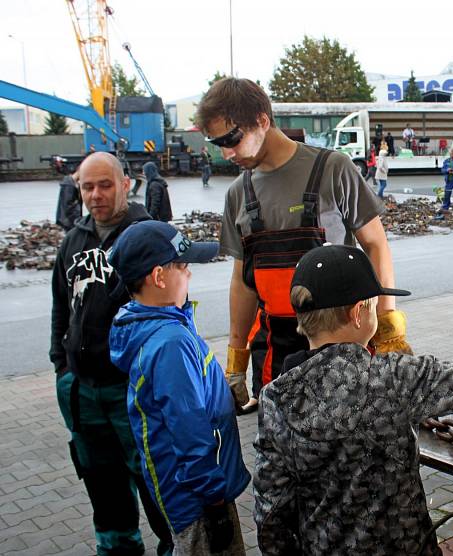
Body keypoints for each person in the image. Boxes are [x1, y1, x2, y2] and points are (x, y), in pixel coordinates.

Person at [253, 244, 453, 556]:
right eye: (373, 306)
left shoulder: (276, 397)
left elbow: (271, 514)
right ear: (357, 313)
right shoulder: (391, 377)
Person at [194, 77, 411, 414]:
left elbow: (376, 245)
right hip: (275, 354)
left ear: (262, 121)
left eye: (232, 139)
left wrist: (387, 328)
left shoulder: (332, 169)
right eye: (217, 143)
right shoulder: (238, 194)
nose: (226, 153)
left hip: (342, 344)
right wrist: (236, 360)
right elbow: (242, 282)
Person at [49, 152, 173, 556]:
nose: (96, 194)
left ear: (125, 183)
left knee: (154, 484)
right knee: (102, 485)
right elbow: (60, 307)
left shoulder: (148, 233)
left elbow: (174, 308)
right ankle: (117, 548)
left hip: (132, 391)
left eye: (105, 184)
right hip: (82, 391)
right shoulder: (74, 240)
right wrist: (61, 367)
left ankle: (174, 546)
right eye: (87, 187)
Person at [108, 221, 251, 556]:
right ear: (159, 277)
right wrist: (214, 500)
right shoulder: (171, 342)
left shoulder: (154, 325)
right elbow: (188, 429)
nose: (189, 275)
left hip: (188, 489)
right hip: (197, 498)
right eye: (184, 267)